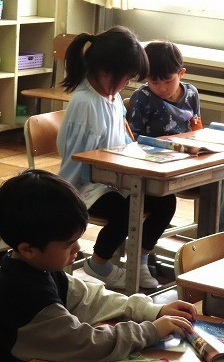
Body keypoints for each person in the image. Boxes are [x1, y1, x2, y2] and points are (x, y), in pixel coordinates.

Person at [0, 169, 197, 361]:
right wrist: (151, 331)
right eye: (69, 244)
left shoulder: (33, 267)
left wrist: (152, 311)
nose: (78, 248)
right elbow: (87, 345)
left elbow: (90, 298)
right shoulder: (25, 297)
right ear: (28, 249)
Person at [57, 26, 177, 289]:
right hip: (83, 186)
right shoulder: (85, 103)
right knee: (129, 209)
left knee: (165, 200)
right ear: (106, 71)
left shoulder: (112, 97)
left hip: (114, 179)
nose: (128, 84)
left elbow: (124, 140)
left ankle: (140, 259)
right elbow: (76, 159)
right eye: (127, 77)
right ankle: (99, 262)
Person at [128, 40, 224, 232]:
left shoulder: (191, 93)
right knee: (220, 176)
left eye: (168, 81)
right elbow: (133, 139)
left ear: (181, 73)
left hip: (193, 159)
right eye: (154, 82)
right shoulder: (142, 98)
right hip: (163, 166)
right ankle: (220, 231)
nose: (162, 88)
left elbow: (197, 129)